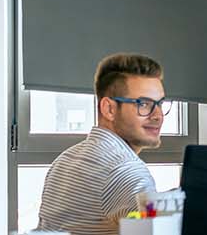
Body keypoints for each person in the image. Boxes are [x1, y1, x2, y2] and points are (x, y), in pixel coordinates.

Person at [37, 54, 170, 235]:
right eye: (144, 104)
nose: (158, 115)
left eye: (160, 104)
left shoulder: (65, 160)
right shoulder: (126, 170)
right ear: (109, 109)